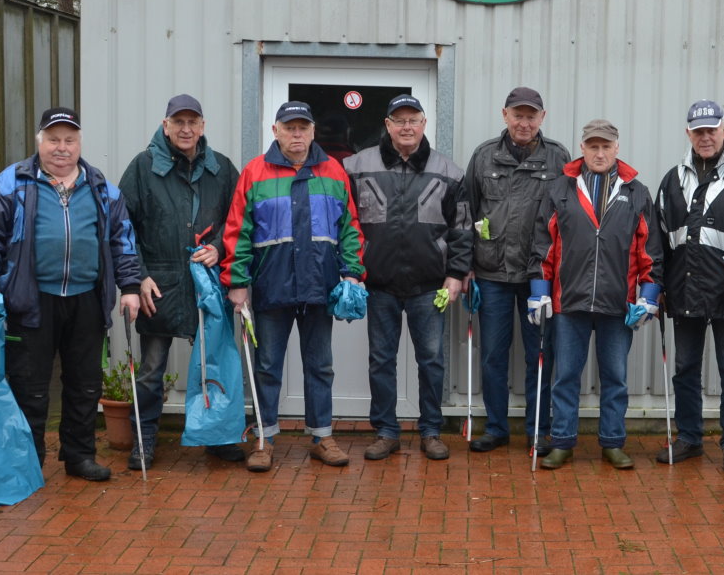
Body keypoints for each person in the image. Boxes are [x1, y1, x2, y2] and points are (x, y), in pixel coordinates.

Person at [0, 107, 142, 481]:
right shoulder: (9, 185)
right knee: (29, 387)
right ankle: (27, 462)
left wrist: (129, 288)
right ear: (39, 141)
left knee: (84, 384)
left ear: (79, 143)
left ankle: (78, 457)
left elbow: (122, 240)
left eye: (69, 140)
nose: (61, 148)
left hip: (86, 302)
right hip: (30, 301)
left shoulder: (101, 188)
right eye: (53, 139)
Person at [221, 101, 364, 472]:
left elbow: (350, 227)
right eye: (290, 127)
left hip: (320, 285)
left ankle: (322, 438)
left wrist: (351, 272)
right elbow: (237, 232)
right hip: (272, 286)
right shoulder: (255, 172)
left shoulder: (333, 170)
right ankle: (265, 439)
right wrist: (237, 283)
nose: (297, 134)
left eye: (303, 127)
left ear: (313, 131)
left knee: (320, 365)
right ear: (276, 131)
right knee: (267, 366)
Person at [344, 94, 473, 462]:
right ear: (387, 125)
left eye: (413, 120)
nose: (406, 127)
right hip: (378, 284)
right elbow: (344, 224)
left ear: (424, 124)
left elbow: (463, 229)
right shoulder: (355, 166)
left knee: (431, 360)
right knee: (381, 360)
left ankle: (431, 430)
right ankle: (386, 431)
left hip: (429, 287)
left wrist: (455, 275)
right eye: (398, 120)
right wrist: (351, 269)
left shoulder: (449, 171)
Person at [531, 119, 663, 470]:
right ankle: (561, 442)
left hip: (617, 304)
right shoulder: (561, 188)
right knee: (565, 377)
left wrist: (649, 296)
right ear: (583, 148)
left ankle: (613, 442)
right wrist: (539, 292)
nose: (600, 152)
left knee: (615, 379)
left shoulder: (637, 192)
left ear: (617, 148)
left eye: (606, 146)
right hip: (567, 302)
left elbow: (650, 250)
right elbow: (543, 246)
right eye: (593, 146)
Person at [118, 94, 241, 470]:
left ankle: (217, 436)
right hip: (160, 286)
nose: (186, 129)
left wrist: (219, 247)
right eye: (179, 122)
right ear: (165, 125)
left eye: (193, 122)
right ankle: (144, 438)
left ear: (203, 126)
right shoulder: (142, 168)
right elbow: (122, 228)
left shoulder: (222, 168)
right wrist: (138, 276)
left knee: (215, 364)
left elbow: (239, 221)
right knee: (152, 369)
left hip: (208, 284)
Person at [655, 100, 724, 473]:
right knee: (685, 367)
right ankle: (689, 437)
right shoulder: (673, 179)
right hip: (683, 291)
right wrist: (655, 290)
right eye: (698, 131)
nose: (705, 137)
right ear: (688, 133)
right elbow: (658, 240)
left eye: (711, 130)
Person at [464, 86, 570, 455]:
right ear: (504, 115)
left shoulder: (558, 158)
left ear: (542, 118)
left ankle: (538, 429)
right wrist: (465, 267)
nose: (524, 122)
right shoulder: (483, 156)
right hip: (491, 273)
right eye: (517, 114)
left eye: (531, 115)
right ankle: (496, 428)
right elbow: (466, 214)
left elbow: (566, 218)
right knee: (493, 355)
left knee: (539, 354)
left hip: (538, 277)